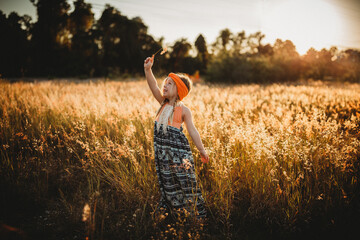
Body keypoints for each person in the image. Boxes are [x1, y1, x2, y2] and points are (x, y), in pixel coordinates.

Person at [144, 55, 209, 220]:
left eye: (169, 84)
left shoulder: (183, 110)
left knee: (184, 183)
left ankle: (195, 216)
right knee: (167, 183)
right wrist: (148, 69)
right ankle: (175, 214)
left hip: (179, 155)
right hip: (163, 156)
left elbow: (193, 131)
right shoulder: (163, 103)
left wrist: (202, 150)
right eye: (164, 83)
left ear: (179, 89)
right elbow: (153, 86)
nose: (164, 86)